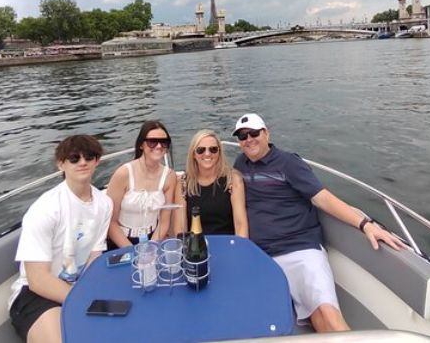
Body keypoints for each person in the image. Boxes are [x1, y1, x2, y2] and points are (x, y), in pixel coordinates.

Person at [231, 113, 404, 333]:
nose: (248, 140)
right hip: (264, 256)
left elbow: (322, 198)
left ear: (266, 133)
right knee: (258, 322)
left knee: (327, 316)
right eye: (242, 136)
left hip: (300, 250)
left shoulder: (288, 163)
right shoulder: (241, 165)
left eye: (254, 133)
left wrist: (366, 224)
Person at [9, 135, 112, 343]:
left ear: (97, 160)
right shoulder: (45, 209)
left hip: (80, 287)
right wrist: (82, 300)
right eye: (74, 158)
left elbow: (94, 256)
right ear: (61, 164)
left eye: (89, 156)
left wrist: (90, 292)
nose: (82, 162)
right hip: (35, 295)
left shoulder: (104, 203)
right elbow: (38, 280)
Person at [106, 120, 178, 249]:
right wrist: (133, 251)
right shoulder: (123, 174)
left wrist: (151, 247)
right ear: (141, 145)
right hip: (121, 242)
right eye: (152, 142)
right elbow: (111, 222)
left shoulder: (169, 177)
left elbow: (164, 221)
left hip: (153, 239)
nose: (158, 146)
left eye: (164, 142)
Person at [173, 129, 248, 237]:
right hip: (196, 247)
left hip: (227, 245)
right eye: (200, 150)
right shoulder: (183, 184)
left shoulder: (232, 180)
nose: (207, 154)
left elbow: (241, 226)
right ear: (193, 154)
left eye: (213, 149)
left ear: (219, 152)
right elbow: (181, 230)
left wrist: (239, 250)